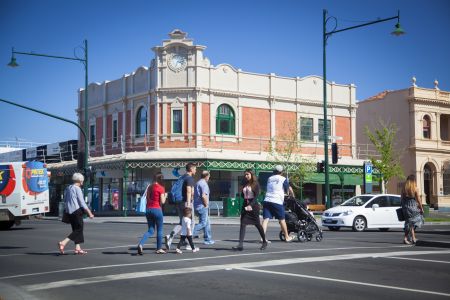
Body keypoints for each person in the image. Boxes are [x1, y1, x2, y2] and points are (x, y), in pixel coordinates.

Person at [58, 173, 94, 255]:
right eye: (82, 180)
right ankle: (63, 242)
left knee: (76, 229)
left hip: (69, 211)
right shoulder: (77, 188)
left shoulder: (68, 187)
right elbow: (82, 202)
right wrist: (89, 213)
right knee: (79, 229)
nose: (83, 182)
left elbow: (65, 200)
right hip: (76, 211)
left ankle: (78, 248)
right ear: (80, 180)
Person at [233, 169, 268, 251]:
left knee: (258, 225)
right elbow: (242, 195)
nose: (246, 176)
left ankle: (264, 241)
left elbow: (256, 197)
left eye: (247, 174)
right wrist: (241, 190)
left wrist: (250, 205)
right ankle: (240, 245)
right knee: (242, 224)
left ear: (252, 175)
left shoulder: (255, 184)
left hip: (253, 206)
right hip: (245, 205)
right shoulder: (245, 183)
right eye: (245, 175)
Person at [165, 163, 197, 249]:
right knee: (191, 222)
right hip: (186, 202)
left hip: (178, 202)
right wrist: (189, 204)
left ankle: (171, 236)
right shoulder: (190, 178)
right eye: (195, 169)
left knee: (182, 222)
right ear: (191, 169)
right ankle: (189, 244)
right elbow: (189, 191)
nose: (196, 170)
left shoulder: (182, 177)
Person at [137, 172, 167, 255]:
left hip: (148, 209)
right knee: (160, 229)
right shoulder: (161, 188)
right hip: (157, 209)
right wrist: (165, 195)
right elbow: (163, 201)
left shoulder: (149, 187)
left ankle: (141, 244)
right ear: (161, 179)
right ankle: (159, 248)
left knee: (150, 230)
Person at [261, 165, 294, 242]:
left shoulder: (270, 178)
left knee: (266, 219)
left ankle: (262, 237)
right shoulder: (283, 179)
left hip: (267, 199)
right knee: (282, 219)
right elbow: (289, 188)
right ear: (282, 172)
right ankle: (287, 237)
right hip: (277, 201)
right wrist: (292, 195)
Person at [193, 170, 215, 245]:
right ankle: (189, 234)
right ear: (206, 176)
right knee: (203, 223)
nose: (209, 178)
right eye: (209, 176)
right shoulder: (204, 184)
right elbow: (203, 196)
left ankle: (207, 239)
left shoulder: (198, 183)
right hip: (202, 206)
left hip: (197, 205)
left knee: (207, 223)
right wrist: (206, 204)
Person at [401, 174, 424, 245]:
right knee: (419, 219)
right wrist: (421, 208)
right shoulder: (415, 189)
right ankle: (407, 238)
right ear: (414, 181)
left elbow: (401, 199)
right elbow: (419, 200)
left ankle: (413, 238)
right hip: (413, 208)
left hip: (405, 208)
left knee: (409, 223)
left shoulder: (404, 188)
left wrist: (403, 207)